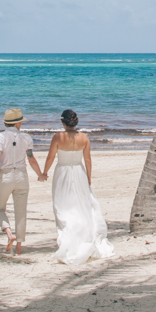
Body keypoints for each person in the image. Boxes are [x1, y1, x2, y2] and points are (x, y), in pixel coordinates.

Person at [41, 109, 114, 265]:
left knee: (63, 205)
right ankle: (81, 232)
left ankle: (69, 234)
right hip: (79, 171)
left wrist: (44, 172)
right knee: (82, 205)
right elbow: (87, 159)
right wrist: (88, 176)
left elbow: (51, 157)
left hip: (62, 172)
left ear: (63, 123)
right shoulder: (84, 137)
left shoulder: (58, 137)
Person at [0, 108, 43, 256]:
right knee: (21, 212)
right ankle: (19, 247)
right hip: (21, 175)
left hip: (5, 175)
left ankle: (9, 234)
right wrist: (40, 174)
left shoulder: (0, 137)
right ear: (18, 122)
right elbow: (31, 159)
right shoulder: (26, 138)